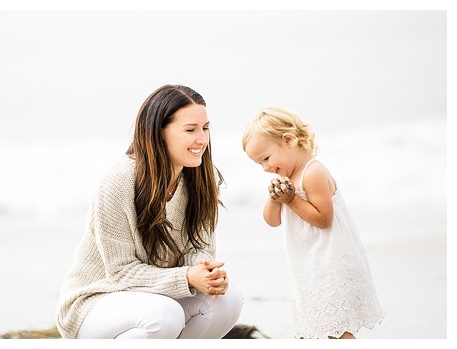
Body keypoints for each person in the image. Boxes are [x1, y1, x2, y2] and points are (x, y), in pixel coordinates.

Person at [55, 84, 244, 339]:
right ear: (158, 132)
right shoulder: (119, 181)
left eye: (205, 128)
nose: (202, 139)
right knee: (165, 316)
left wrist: (204, 273)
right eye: (190, 130)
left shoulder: (200, 178)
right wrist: (188, 277)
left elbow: (201, 247)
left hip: (157, 295)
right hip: (97, 300)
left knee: (228, 300)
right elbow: (121, 272)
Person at [241, 107, 383, 339]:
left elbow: (324, 219)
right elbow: (272, 221)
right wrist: (275, 198)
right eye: (259, 164)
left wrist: (291, 199)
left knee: (335, 332)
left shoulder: (313, 172)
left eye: (266, 158)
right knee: (312, 329)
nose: (265, 168)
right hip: (307, 267)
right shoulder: (285, 178)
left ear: (287, 140)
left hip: (330, 263)